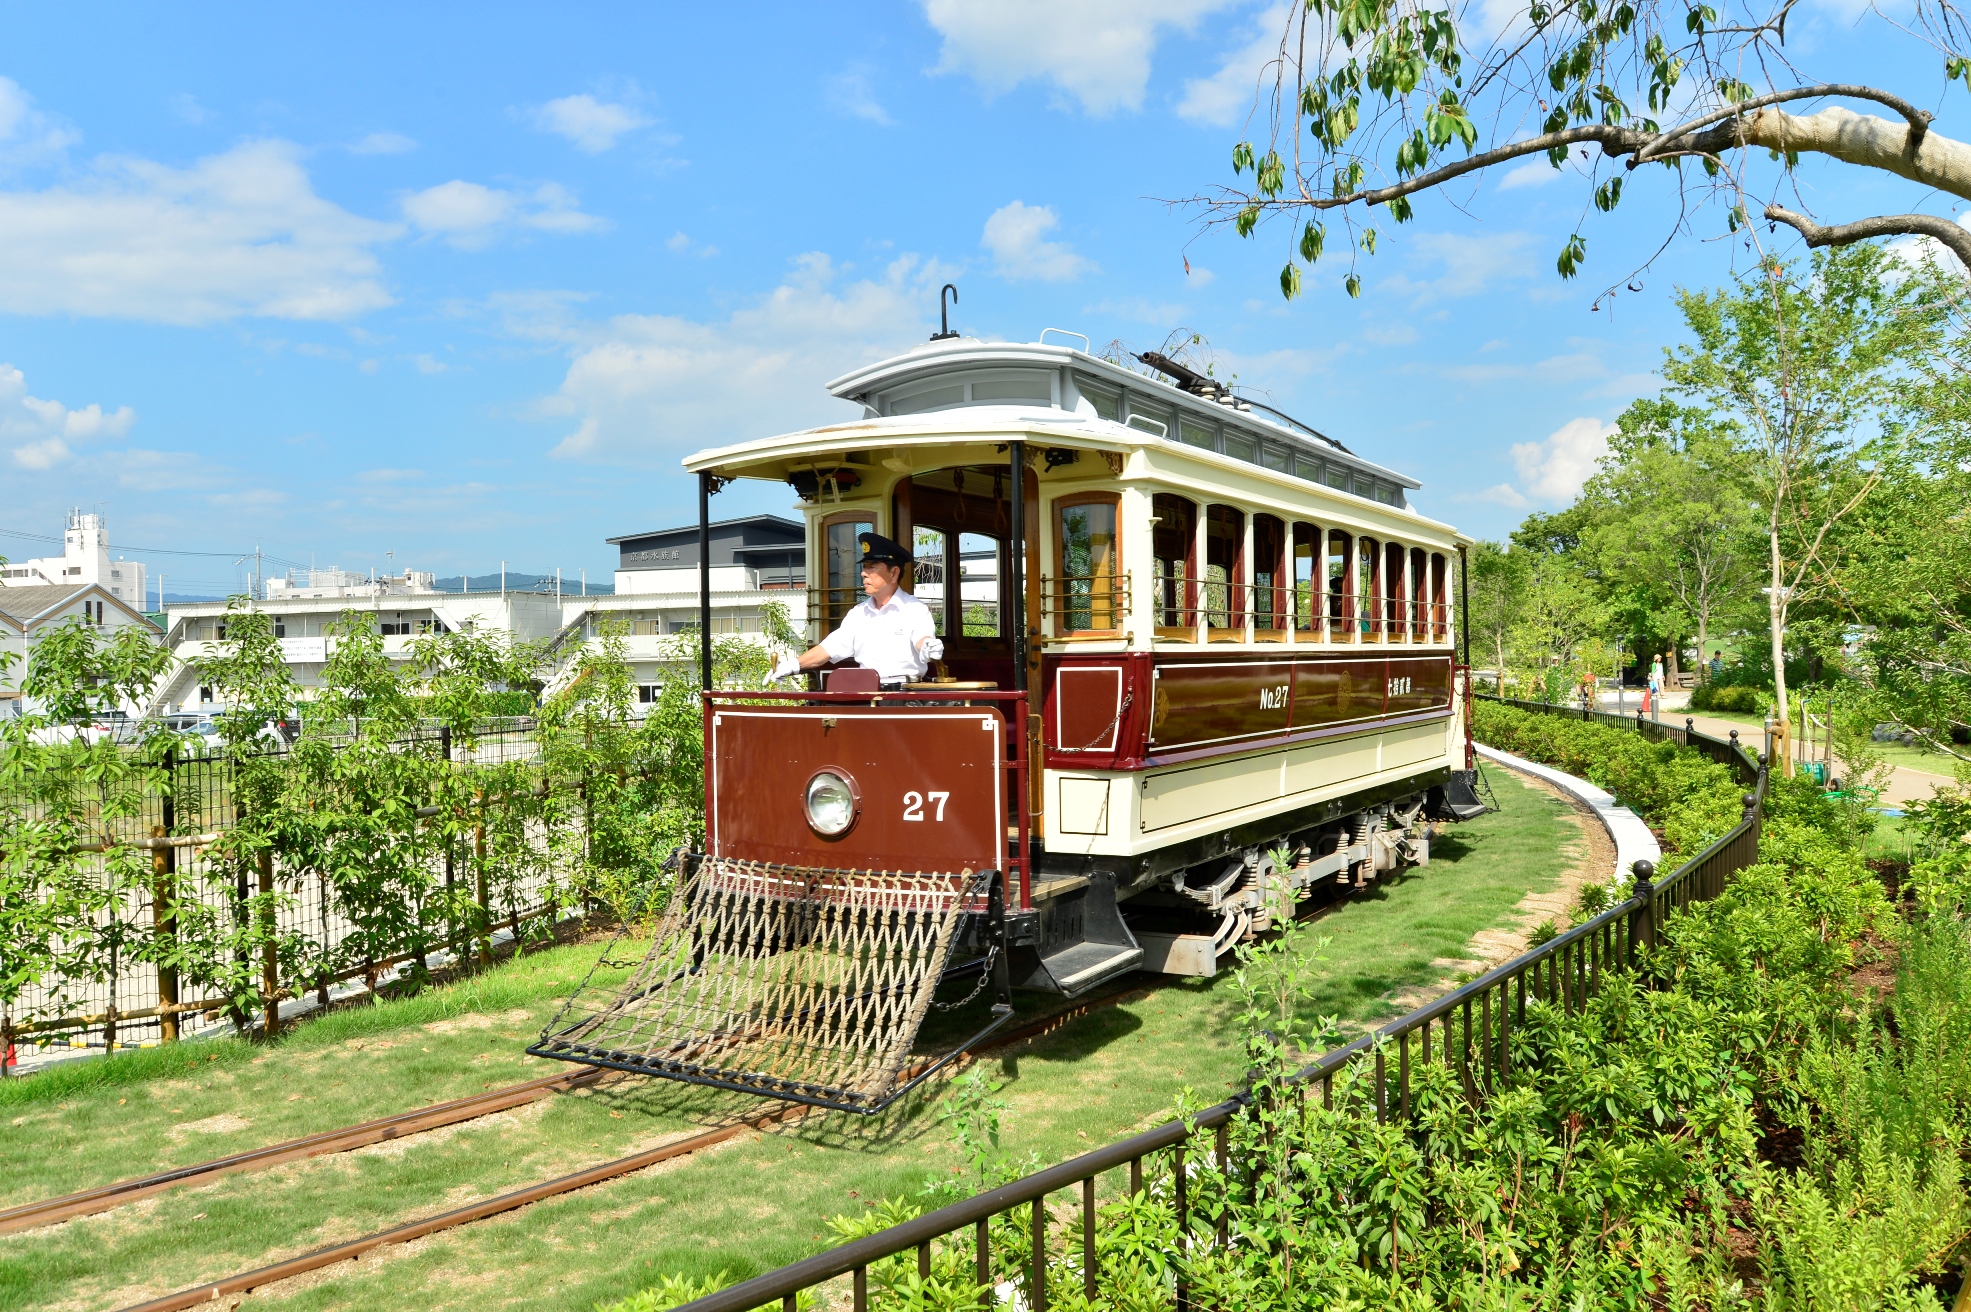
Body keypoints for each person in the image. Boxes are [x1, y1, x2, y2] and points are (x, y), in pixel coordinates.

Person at [770, 532, 944, 689]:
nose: (863, 573)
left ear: (894, 573)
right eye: (864, 566)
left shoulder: (914, 609)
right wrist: (792, 665)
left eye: (872, 566)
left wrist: (928, 647)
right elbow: (830, 648)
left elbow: (922, 639)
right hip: (865, 693)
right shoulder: (858, 613)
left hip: (903, 695)